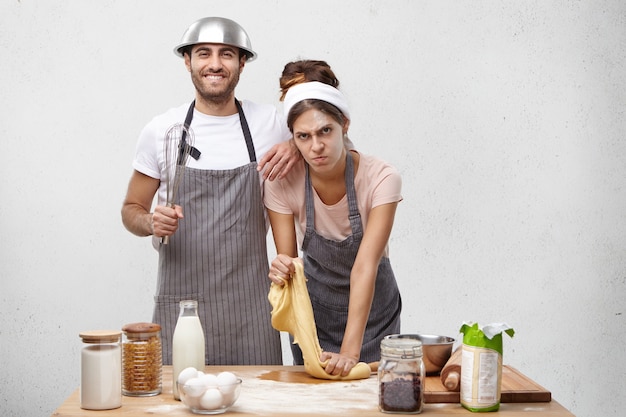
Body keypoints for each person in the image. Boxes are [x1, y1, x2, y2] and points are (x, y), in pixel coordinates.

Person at [121, 17, 299, 366]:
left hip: (251, 310)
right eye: (204, 54)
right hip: (183, 309)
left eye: (227, 54)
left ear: (242, 63)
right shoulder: (161, 130)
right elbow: (130, 209)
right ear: (187, 60)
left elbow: (328, 134)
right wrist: (150, 222)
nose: (215, 64)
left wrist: (295, 144)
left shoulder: (270, 124)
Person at [264, 60, 403, 377]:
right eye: (303, 137)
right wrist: (281, 266)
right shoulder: (281, 181)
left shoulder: (381, 178)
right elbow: (290, 263)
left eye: (325, 131)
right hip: (314, 317)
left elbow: (365, 265)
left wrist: (351, 352)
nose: (316, 147)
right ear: (293, 138)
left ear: (345, 124)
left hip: (374, 316)